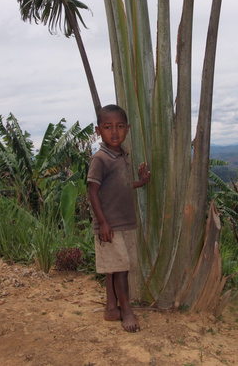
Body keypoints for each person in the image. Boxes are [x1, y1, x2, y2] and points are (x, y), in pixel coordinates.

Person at [87, 104, 150, 333]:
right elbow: (92, 190)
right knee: (121, 269)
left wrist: (139, 183)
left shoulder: (123, 155)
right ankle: (127, 312)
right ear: (98, 130)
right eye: (108, 127)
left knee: (114, 268)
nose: (114, 132)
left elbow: (119, 186)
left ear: (128, 128)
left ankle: (111, 307)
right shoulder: (100, 158)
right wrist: (103, 222)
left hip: (124, 223)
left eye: (120, 126)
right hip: (110, 225)